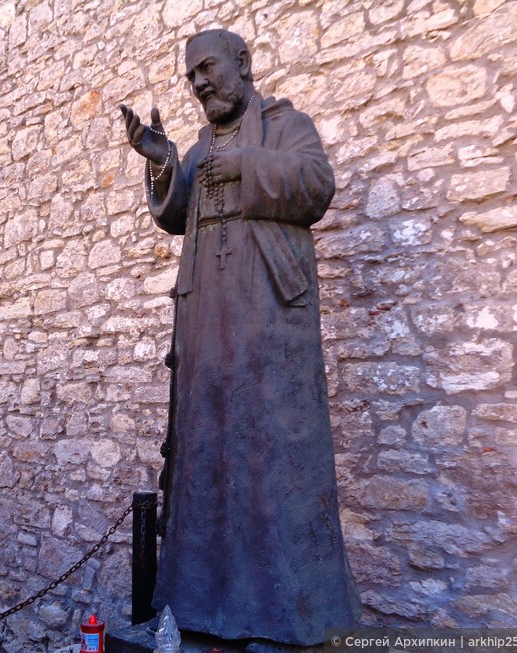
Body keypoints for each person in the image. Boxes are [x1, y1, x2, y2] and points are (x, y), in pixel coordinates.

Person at [119, 29, 360, 648]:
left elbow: (316, 185)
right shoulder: (200, 146)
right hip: (206, 316)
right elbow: (176, 216)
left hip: (268, 313)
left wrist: (246, 166)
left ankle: (283, 615)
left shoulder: (286, 125)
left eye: (206, 69)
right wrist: (164, 158)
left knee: (275, 454)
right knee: (207, 456)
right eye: (190, 77)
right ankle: (202, 605)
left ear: (243, 65)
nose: (198, 84)